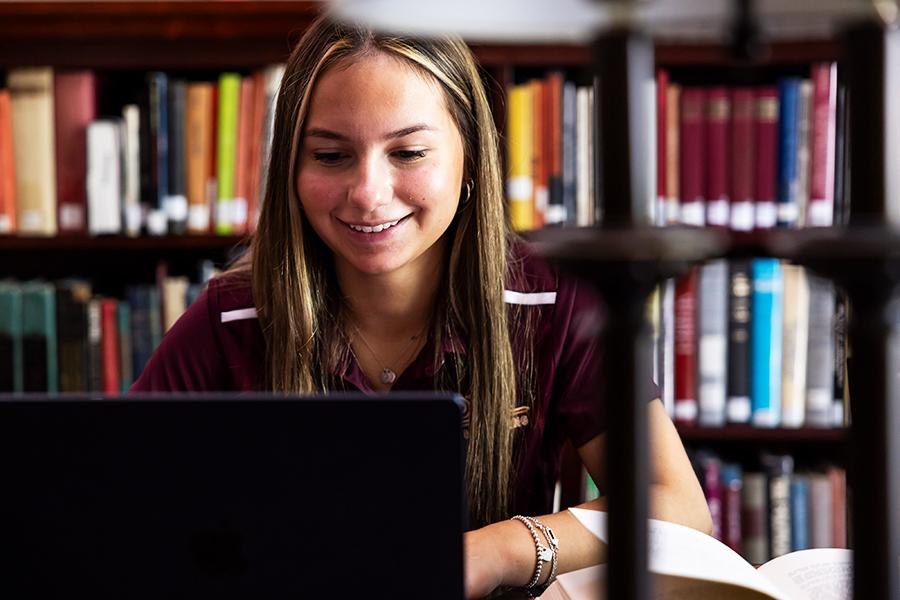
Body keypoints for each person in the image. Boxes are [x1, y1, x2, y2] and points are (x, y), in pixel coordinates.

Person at [131, 12, 712, 598]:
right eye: (331, 156)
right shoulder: (231, 316)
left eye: (408, 153)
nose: (368, 194)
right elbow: (116, 503)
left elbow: (680, 509)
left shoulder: (552, 299)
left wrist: (496, 550)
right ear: (291, 165)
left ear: (469, 160)